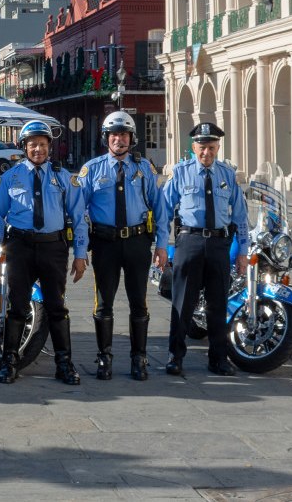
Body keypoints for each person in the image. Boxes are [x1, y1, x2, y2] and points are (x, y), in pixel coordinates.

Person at [0, 119, 87, 384]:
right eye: (32, 145)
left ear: (49, 147)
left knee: (56, 306)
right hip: (19, 246)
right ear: (24, 147)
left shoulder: (63, 177)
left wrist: (80, 254)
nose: (38, 150)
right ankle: (10, 361)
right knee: (17, 306)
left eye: (42, 145)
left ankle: (64, 363)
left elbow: (78, 217)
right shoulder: (11, 177)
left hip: (53, 247)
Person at [76, 110, 169, 381]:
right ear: (106, 138)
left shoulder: (144, 169)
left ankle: (138, 358)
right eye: (114, 134)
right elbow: (78, 213)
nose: (119, 139)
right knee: (104, 303)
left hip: (138, 243)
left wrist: (162, 246)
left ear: (132, 138)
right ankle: (104, 357)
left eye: (124, 134)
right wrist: (80, 252)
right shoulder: (91, 170)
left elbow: (159, 208)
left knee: (138, 302)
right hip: (105, 244)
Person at [162, 122, 248, 377]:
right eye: (201, 148)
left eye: (211, 147)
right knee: (182, 303)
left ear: (218, 147)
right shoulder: (180, 173)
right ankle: (175, 357)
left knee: (218, 304)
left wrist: (243, 250)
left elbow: (241, 217)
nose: (206, 153)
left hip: (220, 244)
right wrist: (161, 246)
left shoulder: (227, 175)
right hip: (190, 242)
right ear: (193, 147)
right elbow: (163, 211)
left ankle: (218, 359)